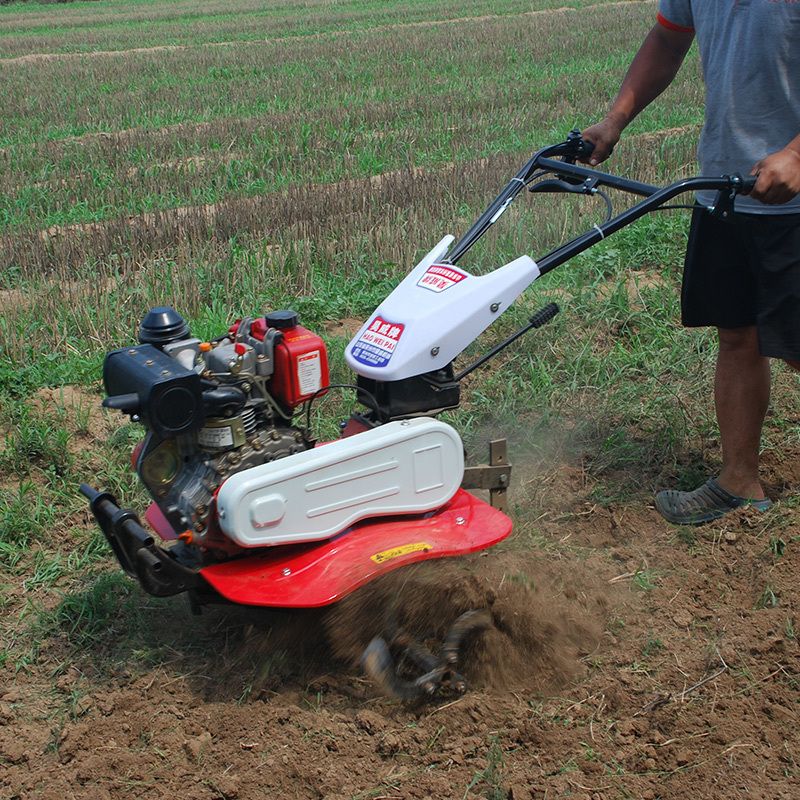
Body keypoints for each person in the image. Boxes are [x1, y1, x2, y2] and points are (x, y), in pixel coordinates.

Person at [581, 1, 800, 525]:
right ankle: (738, 482)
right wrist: (614, 120)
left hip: (793, 201)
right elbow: (668, 40)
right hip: (726, 185)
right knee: (738, 333)